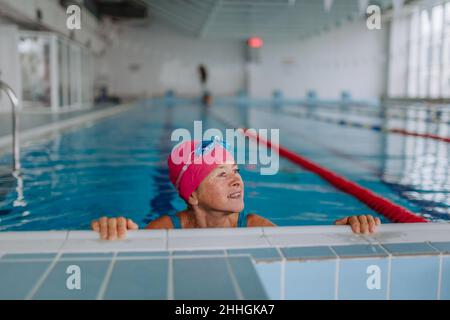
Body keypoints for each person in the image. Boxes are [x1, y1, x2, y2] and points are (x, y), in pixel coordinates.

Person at [91, 137, 381, 240]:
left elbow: (298, 260)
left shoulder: (256, 227)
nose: (237, 180)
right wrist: (115, 231)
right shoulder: (165, 230)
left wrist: (344, 231)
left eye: (236, 171)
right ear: (192, 195)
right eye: (221, 174)